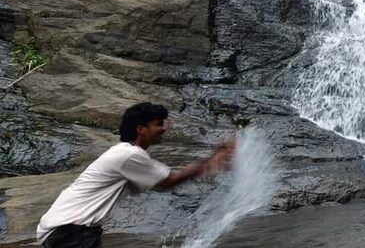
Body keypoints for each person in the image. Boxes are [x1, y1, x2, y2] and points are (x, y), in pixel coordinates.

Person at [36, 102, 234, 247]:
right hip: (70, 232)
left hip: (64, 231)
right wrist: (211, 160)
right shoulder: (129, 155)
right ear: (141, 129)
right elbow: (169, 182)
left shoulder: (123, 152)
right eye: (158, 124)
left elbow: (159, 184)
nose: (164, 128)